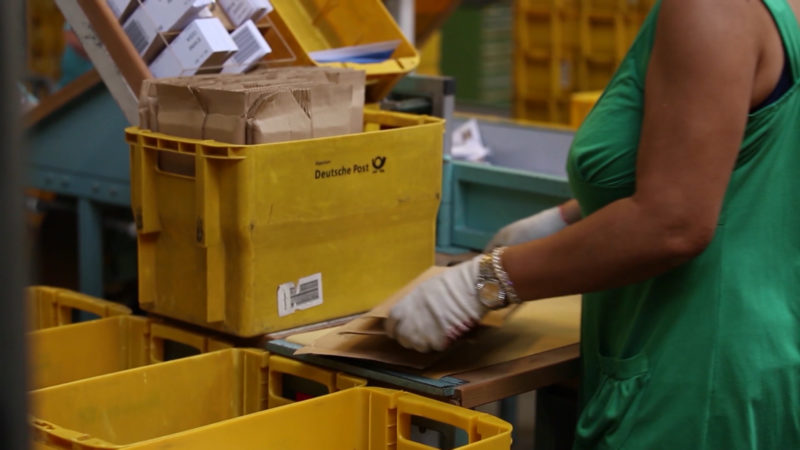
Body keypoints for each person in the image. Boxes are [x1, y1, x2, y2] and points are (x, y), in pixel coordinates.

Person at [385, 0, 800, 448]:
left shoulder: (711, 8)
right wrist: (568, 217)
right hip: (764, 352)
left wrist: (483, 282)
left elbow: (673, 225)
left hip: (692, 371)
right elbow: (740, 151)